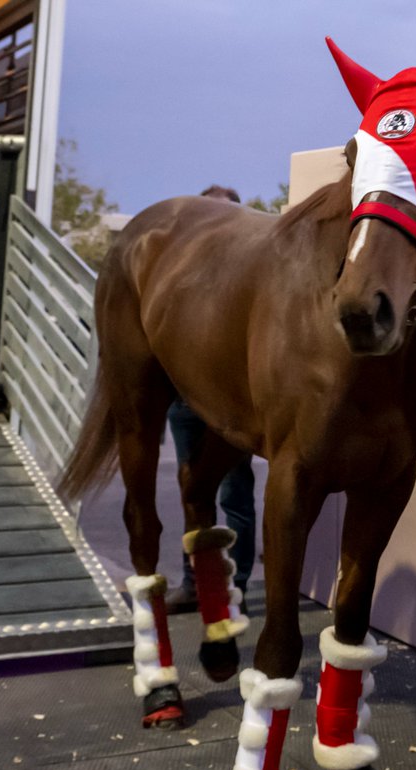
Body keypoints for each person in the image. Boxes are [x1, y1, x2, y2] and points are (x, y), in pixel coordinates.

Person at [168, 184, 258, 608]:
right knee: (192, 490)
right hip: (185, 399)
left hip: (229, 402)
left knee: (234, 492)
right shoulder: (181, 272)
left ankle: (235, 582)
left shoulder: (247, 278)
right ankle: (197, 582)